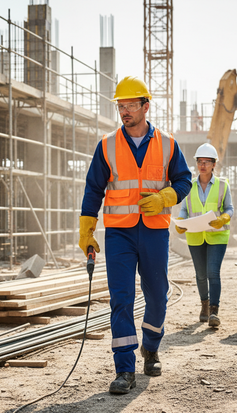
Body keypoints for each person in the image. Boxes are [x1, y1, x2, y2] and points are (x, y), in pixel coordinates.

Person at [78, 76, 192, 395]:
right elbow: (93, 189)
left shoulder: (168, 144)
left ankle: (151, 348)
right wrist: (86, 228)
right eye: (120, 105)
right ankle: (124, 369)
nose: (124, 111)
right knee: (122, 299)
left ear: (145, 105)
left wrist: (165, 198)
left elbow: (184, 182)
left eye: (130, 105)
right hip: (119, 234)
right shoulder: (107, 145)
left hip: (154, 231)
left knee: (157, 296)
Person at [174, 143, 234, 327]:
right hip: (195, 236)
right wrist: (181, 223)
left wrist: (224, 218)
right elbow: (184, 209)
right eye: (200, 161)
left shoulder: (223, 185)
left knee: (212, 273)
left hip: (217, 236)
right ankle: (204, 306)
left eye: (207, 162)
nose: (203, 165)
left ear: (214, 164)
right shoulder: (189, 186)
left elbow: (229, 208)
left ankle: (214, 312)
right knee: (200, 275)